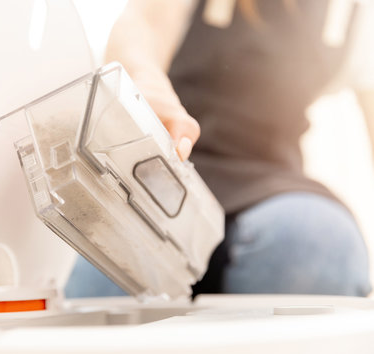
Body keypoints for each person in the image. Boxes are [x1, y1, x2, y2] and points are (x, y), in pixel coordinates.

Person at [65, 0, 374, 297]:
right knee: (102, 288)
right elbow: (141, 25)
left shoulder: (353, 18)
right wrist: (144, 83)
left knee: (316, 241)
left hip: (272, 185)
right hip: (164, 175)